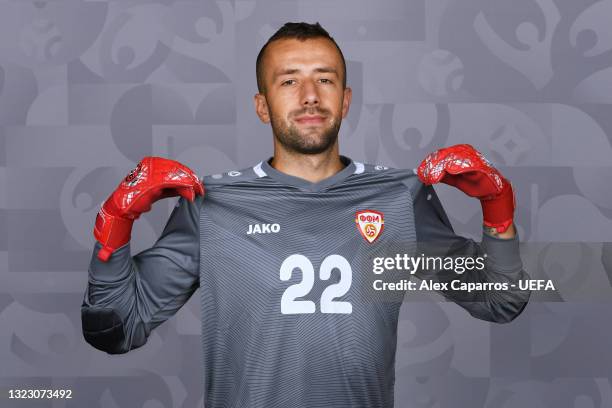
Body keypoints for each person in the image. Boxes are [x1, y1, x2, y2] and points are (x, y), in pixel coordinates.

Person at [81, 22, 530, 408]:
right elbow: (116, 328)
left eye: (325, 79)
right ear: (262, 106)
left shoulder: (399, 196)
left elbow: (500, 299)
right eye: (289, 81)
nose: (310, 96)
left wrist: (498, 209)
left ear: (346, 99)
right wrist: (114, 225)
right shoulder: (212, 202)